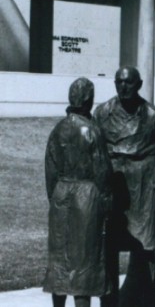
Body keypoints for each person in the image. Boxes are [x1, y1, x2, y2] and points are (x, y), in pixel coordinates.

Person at [93, 66, 155, 307]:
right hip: (114, 186)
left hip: (144, 188)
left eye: (128, 83)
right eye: (119, 82)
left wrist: (140, 168)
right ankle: (110, 298)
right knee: (110, 245)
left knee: (145, 247)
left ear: (138, 84)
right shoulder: (102, 112)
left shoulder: (154, 115)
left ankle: (145, 296)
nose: (123, 87)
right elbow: (95, 149)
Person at [43, 77, 113, 307]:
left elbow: (50, 169)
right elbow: (102, 170)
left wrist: (55, 198)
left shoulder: (58, 129)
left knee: (60, 260)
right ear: (88, 101)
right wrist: (106, 202)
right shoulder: (92, 130)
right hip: (87, 197)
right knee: (85, 262)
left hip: (61, 195)